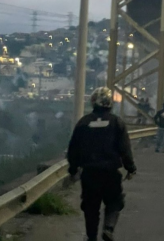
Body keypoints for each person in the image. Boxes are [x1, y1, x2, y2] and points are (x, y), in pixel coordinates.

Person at [67, 87, 136, 241]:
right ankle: (108, 228)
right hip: (111, 172)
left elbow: (73, 150)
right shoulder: (117, 122)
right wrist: (130, 168)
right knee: (115, 201)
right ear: (110, 103)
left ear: (93, 102)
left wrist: (73, 170)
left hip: (89, 173)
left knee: (90, 207)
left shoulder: (83, 123)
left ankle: (91, 237)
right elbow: (124, 148)